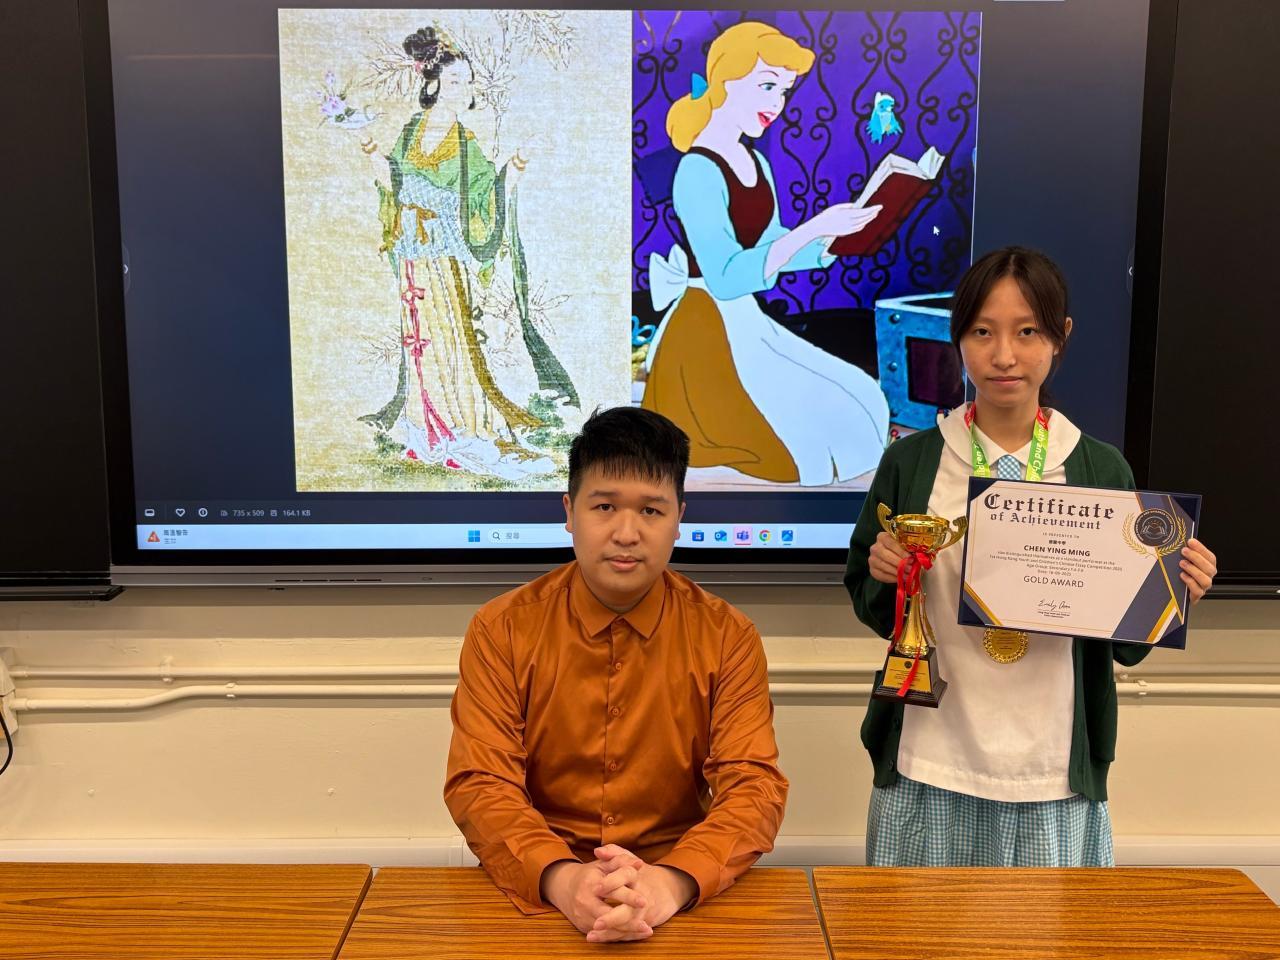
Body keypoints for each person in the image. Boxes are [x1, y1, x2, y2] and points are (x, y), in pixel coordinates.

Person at [843, 246, 1218, 867]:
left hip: (1052, 772)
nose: (1004, 355)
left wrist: (1173, 591)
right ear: (957, 337)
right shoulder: (912, 461)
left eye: (1027, 332)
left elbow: (1124, 647)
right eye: (981, 332)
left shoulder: (1098, 467)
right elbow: (872, 603)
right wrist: (888, 573)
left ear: (1060, 336)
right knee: (915, 925)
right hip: (929, 759)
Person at [444, 406, 788, 943]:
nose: (627, 533)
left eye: (651, 510)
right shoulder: (502, 628)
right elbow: (481, 783)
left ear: (679, 517)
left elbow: (754, 787)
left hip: (677, 892)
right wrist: (563, 879)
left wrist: (669, 883)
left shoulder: (728, 635)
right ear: (570, 511)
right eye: (604, 506)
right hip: (538, 890)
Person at [642, 21, 890, 487]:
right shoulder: (696, 170)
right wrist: (814, 228)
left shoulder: (756, 161)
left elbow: (771, 243)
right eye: (767, 86)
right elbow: (725, 277)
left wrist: (832, 243)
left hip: (746, 320)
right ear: (725, 81)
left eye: (785, 91)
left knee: (860, 397)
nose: (777, 104)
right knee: (800, 451)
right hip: (706, 332)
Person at [360, 25, 578, 482]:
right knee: (419, 344)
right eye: (456, 80)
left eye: (469, 81)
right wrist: (368, 147)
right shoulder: (412, 131)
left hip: (444, 257)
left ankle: (465, 429)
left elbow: (488, 195)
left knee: (453, 341)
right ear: (434, 83)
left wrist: (517, 164)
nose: (465, 89)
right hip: (412, 253)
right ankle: (426, 431)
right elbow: (393, 183)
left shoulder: (465, 144)